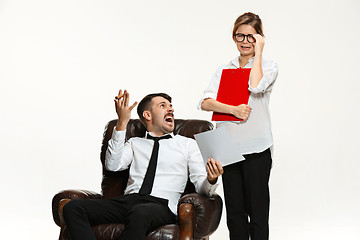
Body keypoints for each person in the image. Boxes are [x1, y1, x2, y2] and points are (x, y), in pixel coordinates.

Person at [63, 90, 223, 240]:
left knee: (140, 212)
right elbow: (112, 165)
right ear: (147, 115)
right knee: (72, 208)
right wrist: (122, 122)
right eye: (163, 105)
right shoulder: (134, 143)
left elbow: (201, 186)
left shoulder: (188, 145)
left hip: (161, 204)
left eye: (171, 106)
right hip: (127, 201)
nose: (171, 110)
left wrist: (211, 179)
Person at [199, 12, 279, 240]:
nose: (244, 41)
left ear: (260, 38)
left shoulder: (269, 66)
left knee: (258, 212)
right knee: (235, 213)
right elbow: (205, 102)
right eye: (239, 36)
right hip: (228, 148)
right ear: (233, 37)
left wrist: (260, 52)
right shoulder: (224, 69)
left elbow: (255, 87)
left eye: (251, 37)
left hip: (256, 147)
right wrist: (233, 109)